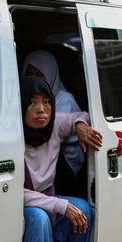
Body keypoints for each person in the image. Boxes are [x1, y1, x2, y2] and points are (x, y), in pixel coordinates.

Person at [20, 76, 103, 242]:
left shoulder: (53, 124)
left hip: (47, 199)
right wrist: (59, 205)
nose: (41, 109)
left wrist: (79, 126)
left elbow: (83, 115)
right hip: (20, 205)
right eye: (32, 103)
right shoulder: (11, 136)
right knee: (38, 218)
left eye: (46, 102)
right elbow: (15, 193)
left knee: (83, 209)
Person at [22, 50, 85, 196]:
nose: (34, 80)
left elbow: (48, 131)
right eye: (29, 74)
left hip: (63, 163)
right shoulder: (22, 98)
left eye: (39, 75)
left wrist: (79, 123)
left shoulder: (64, 100)